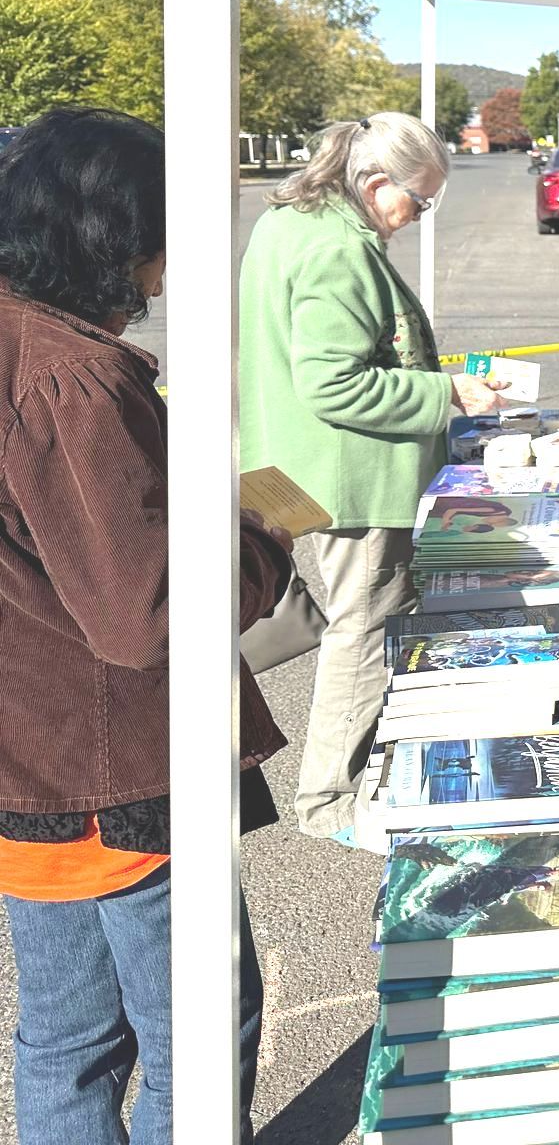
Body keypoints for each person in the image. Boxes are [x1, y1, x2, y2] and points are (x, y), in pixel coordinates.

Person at [0, 108, 293, 1143]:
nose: (165, 275)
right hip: (115, 772)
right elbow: (143, 613)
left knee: (66, 1042)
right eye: (158, 244)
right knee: (199, 1033)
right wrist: (259, 540)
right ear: (105, 234)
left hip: (34, 763)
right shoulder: (73, 376)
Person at [239, 113, 502, 841]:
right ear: (376, 183)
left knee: (352, 618)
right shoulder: (337, 249)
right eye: (418, 202)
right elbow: (333, 385)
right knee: (363, 627)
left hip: (296, 461)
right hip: (350, 477)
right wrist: (445, 394)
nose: (416, 219)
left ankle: (342, 783)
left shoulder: (292, 223)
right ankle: (330, 800)